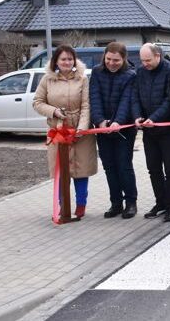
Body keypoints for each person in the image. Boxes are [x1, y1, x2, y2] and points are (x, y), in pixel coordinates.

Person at [32, 45, 98, 219]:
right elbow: (37, 102)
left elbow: (86, 105)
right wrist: (53, 111)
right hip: (59, 130)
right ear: (56, 61)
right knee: (61, 170)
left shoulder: (82, 79)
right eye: (63, 59)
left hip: (79, 131)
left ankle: (81, 205)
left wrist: (82, 128)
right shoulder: (47, 79)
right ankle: (63, 205)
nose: (67, 62)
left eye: (70, 59)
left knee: (81, 169)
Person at [90, 42, 138, 219]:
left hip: (123, 130)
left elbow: (127, 100)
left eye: (116, 60)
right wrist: (100, 121)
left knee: (124, 166)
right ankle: (115, 203)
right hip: (102, 129)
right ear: (104, 56)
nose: (111, 63)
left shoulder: (130, 75)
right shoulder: (96, 72)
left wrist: (117, 121)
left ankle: (131, 202)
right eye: (108, 59)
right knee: (109, 167)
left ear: (123, 58)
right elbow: (94, 97)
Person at [132, 43, 170, 222]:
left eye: (148, 60)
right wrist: (138, 117)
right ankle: (159, 202)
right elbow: (135, 97)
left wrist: (155, 118)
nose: (145, 64)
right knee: (153, 169)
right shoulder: (140, 72)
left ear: (158, 55)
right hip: (148, 131)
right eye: (143, 60)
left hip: (168, 129)